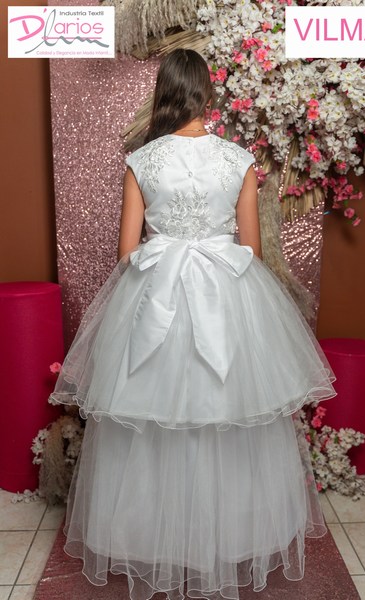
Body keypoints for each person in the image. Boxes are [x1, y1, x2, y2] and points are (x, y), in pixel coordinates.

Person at [50, 48, 336, 600]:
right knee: (227, 411)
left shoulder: (142, 160)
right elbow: (250, 251)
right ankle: (231, 538)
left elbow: (127, 252)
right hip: (227, 295)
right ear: (207, 93)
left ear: (164, 92)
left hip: (155, 294)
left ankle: (152, 538)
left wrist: (171, 255)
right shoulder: (238, 159)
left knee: (152, 417)